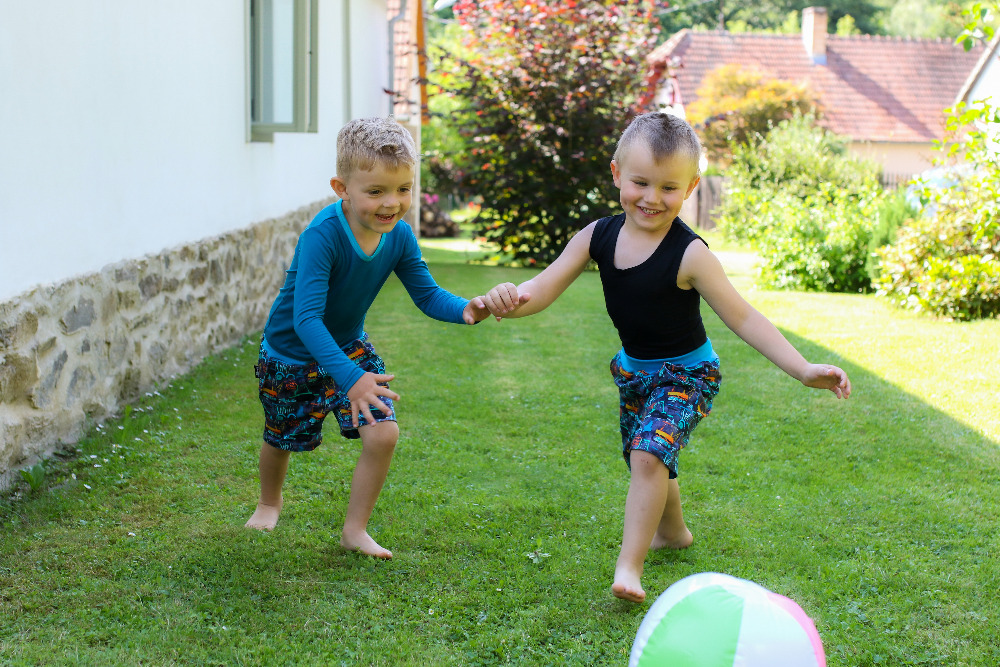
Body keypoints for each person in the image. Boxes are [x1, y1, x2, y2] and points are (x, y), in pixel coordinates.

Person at [482, 112, 851, 603]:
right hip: (635, 374)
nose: (652, 198)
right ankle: (673, 532)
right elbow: (543, 287)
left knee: (648, 453)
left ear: (692, 187)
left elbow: (744, 318)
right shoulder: (597, 236)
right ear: (616, 174)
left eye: (669, 187)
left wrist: (803, 369)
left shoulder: (691, 254)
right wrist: (510, 298)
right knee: (648, 458)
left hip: (689, 374)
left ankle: (629, 568)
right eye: (640, 182)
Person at [246, 117, 492, 559]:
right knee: (281, 438)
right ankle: (269, 502)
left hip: (346, 345)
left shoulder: (398, 235)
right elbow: (305, 319)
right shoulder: (322, 236)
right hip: (291, 355)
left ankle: (354, 531)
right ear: (342, 187)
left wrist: (465, 309)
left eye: (403, 189)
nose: (391, 204)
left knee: (383, 434)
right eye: (375, 191)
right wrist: (350, 378)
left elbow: (427, 293)